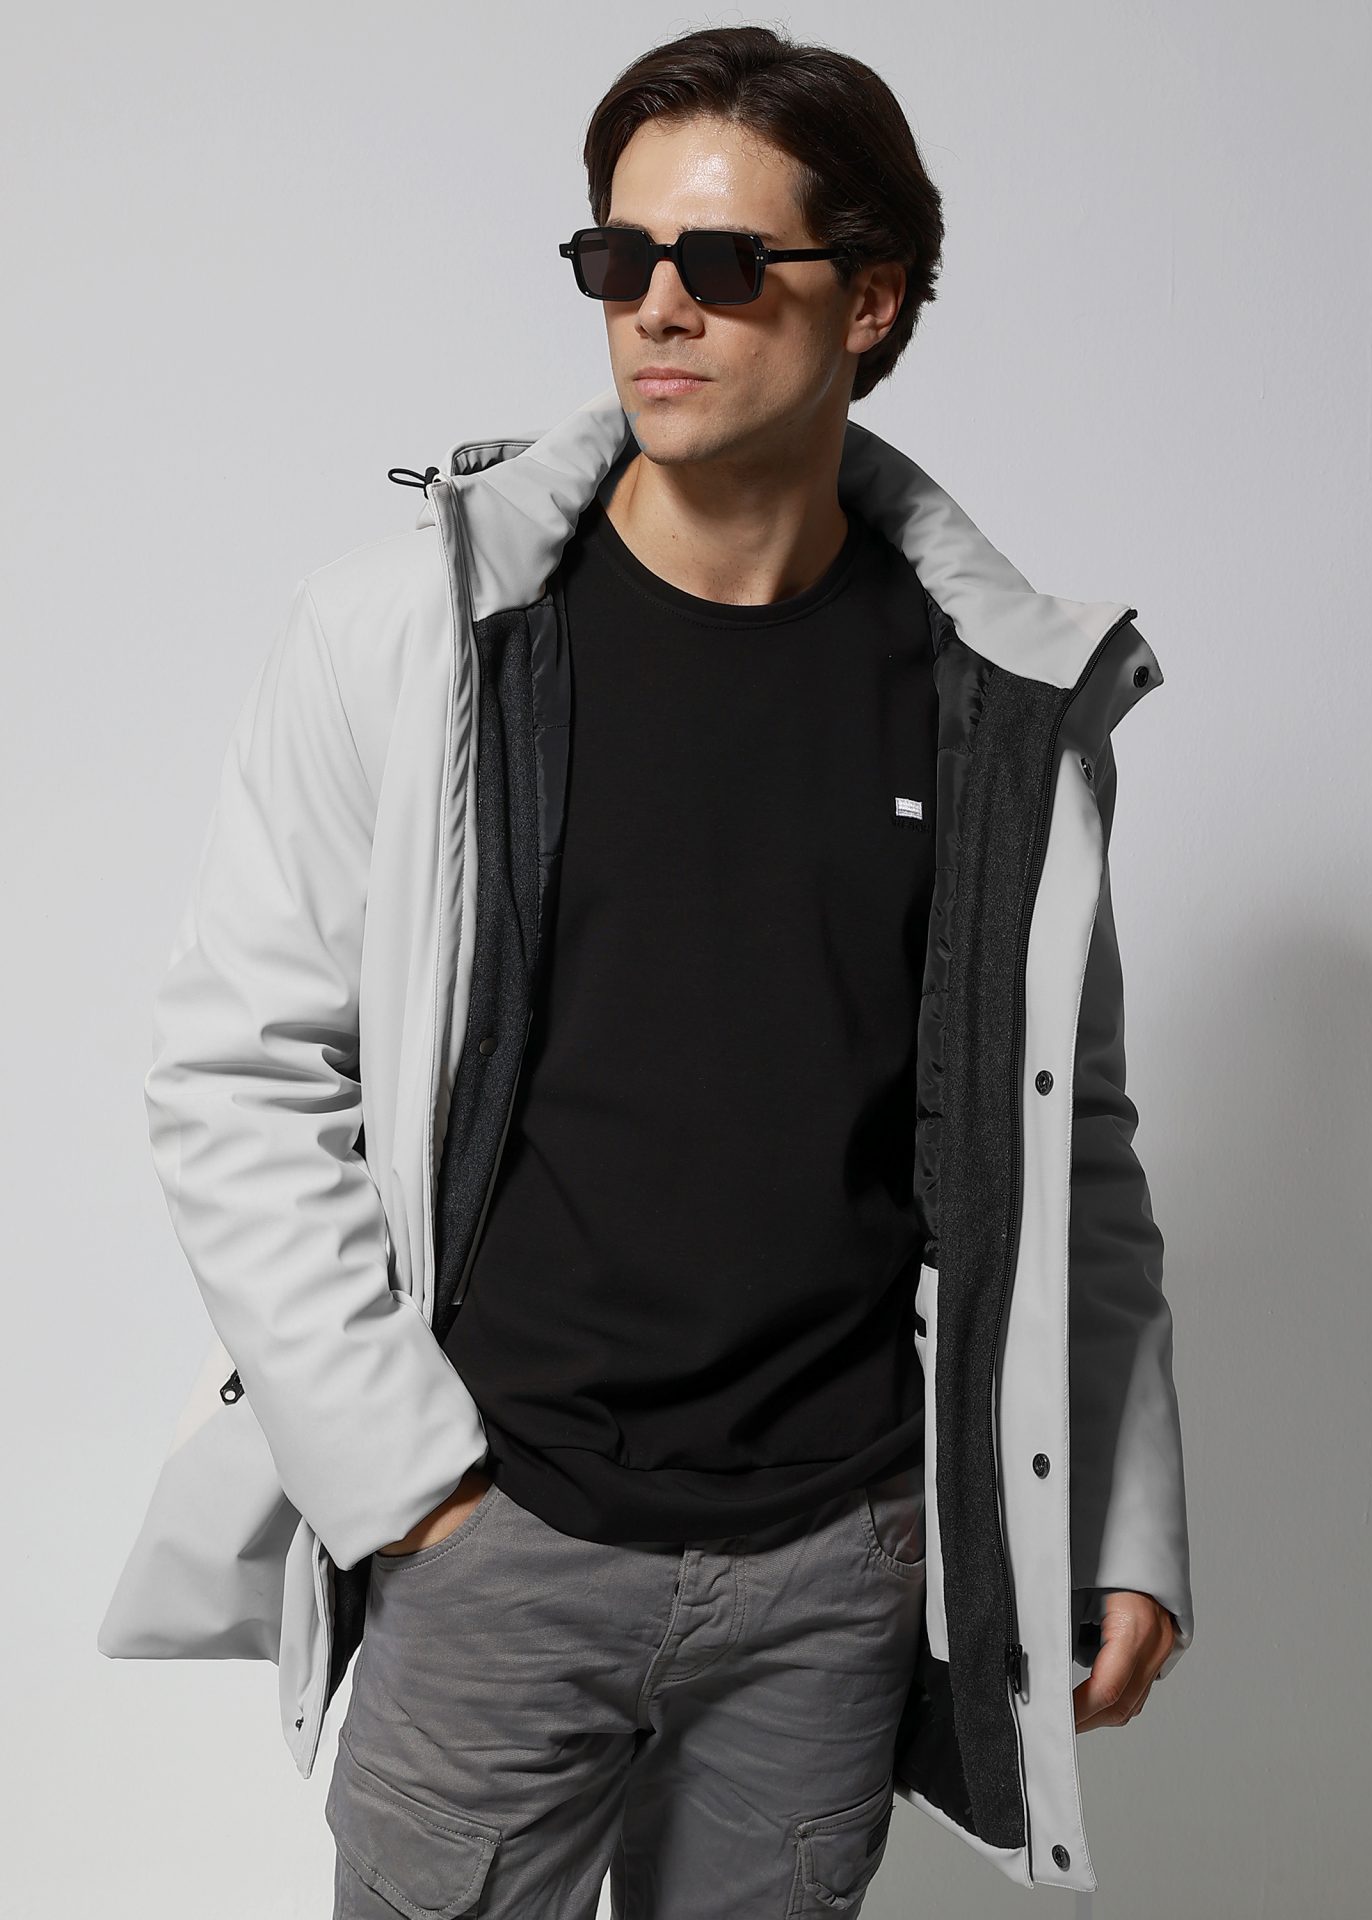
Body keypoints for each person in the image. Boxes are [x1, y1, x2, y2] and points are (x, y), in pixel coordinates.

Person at [98, 23, 1193, 1915]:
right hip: (498, 1547)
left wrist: (1124, 1513)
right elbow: (237, 1075)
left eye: (722, 262)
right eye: (618, 257)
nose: (656, 308)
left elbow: (1068, 1145)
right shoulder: (415, 638)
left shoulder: (1002, 711)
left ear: (872, 298)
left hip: (834, 1572)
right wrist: (413, 1496)